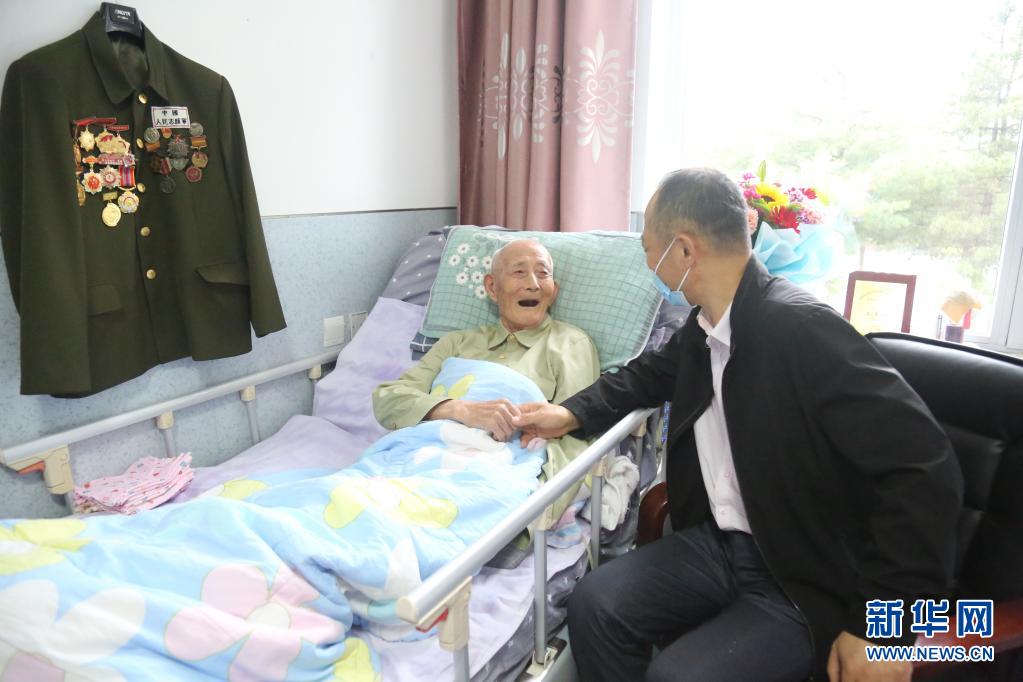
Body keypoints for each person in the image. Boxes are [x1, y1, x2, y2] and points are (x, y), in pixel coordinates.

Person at [513, 168, 963, 682]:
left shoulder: (801, 330)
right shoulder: (708, 324)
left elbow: (925, 468)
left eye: (648, 250)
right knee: (597, 604)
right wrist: (570, 412)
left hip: (798, 569)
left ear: (684, 250)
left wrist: (883, 629)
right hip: (724, 545)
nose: (648, 263)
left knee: (677, 676)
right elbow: (650, 374)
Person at [373, 238, 600, 521]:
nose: (533, 284)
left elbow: (575, 435)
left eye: (543, 274)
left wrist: (536, 516)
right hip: (419, 462)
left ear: (554, 291)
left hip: (494, 477)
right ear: (492, 287)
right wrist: (460, 409)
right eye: (519, 272)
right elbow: (388, 399)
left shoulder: (570, 344)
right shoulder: (456, 343)